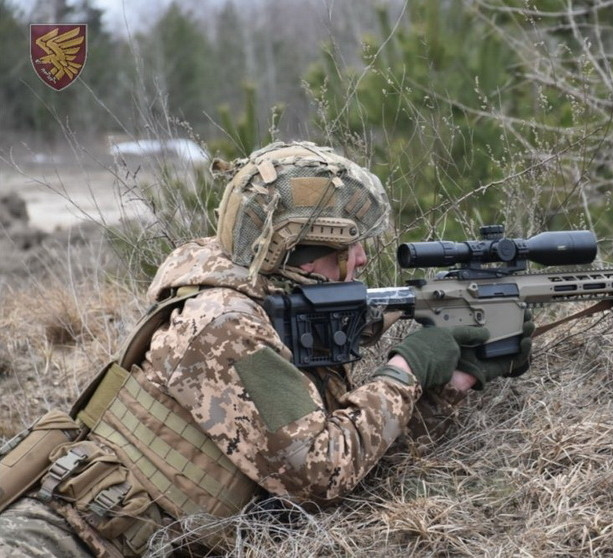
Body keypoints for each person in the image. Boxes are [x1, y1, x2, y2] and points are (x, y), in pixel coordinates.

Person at [0, 141, 533, 557]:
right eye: (348, 246)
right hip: (64, 540)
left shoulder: (266, 301)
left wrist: (454, 381)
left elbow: (355, 459)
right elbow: (320, 474)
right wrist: (405, 369)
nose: (362, 259)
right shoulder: (225, 324)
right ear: (297, 254)